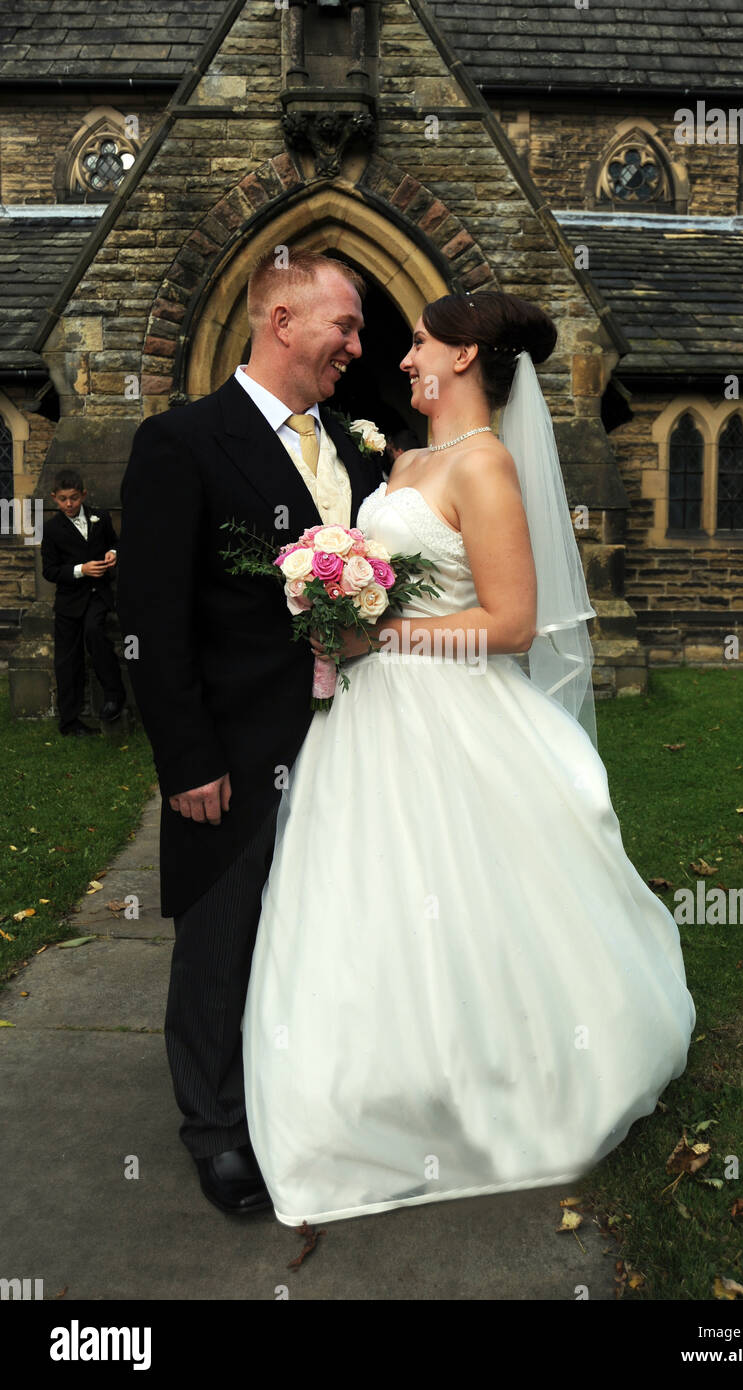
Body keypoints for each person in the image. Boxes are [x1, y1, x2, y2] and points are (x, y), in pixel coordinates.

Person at [243, 291, 696, 1226]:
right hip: (365, 719)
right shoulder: (407, 458)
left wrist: (386, 632)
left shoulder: (485, 465)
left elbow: (513, 623)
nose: (403, 359)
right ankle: (372, 1088)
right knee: (360, 899)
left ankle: (488, 1080)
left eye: (418, 343)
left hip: (441, 709)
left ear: (464, 356)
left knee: (459, 891)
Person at [116, 251, 383, 1214]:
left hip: (352, 737)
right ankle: (216, 1127)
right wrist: (185, 757)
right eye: (344, 327)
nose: (357, 346)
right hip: (234, 747)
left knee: (321, 930)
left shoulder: (355, 452)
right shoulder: (181, 442)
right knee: (222, 935)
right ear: (280, 320)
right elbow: (150, 617)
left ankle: (299, 1097)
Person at [41, 470, 125, 736]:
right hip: (68, 601)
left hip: (98, 596)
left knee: (94, 632)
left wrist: (113, 553)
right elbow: (50, 571)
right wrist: (81, 570)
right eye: (63, 499)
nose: (69, 504)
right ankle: (70, 722)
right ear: (54, 498)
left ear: (83, 495)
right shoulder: (52, 529)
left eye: (74, 498)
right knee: (67, 660)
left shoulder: (100, 517)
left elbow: (114, 542)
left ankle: (114, 696)